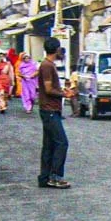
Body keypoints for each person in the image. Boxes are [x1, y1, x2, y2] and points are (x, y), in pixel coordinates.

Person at [36, 38, 74, 188]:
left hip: (49, 109)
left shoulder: (48, 65)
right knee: (62, 142)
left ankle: (44, 178)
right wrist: (64, 94)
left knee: (49, 145)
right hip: (49, 109)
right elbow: (49, 89)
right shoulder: (47, 66)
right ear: (56, 50)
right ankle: (56, 176)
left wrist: (63, 91)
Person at [17, 48, 39, 114]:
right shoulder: (21, 65)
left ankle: (31, 104)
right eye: (25, 58)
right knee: (26, 94)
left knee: (32, 95)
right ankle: (28, 107)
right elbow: (18, 73)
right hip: (25, 82)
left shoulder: (34, 64)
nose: (27, 59)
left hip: (32, 82)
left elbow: (38, 71)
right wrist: (23, 76)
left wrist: (32, 75)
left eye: (28, 58)